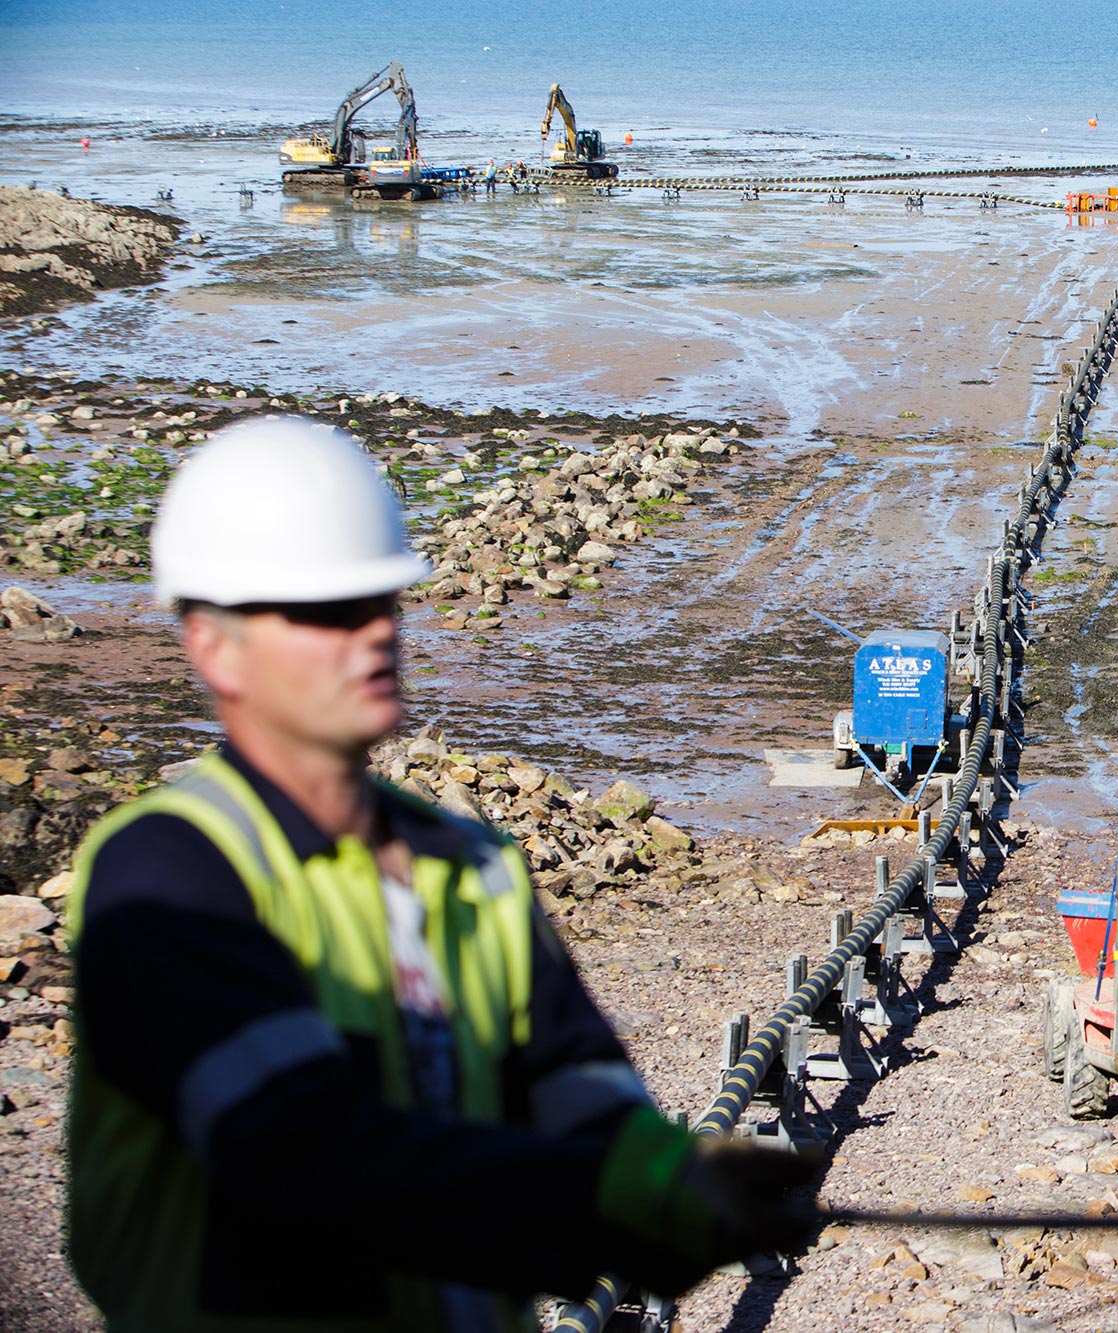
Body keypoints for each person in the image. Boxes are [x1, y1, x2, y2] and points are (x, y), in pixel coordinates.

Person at [64, 417, 815, 1331]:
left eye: (383, 600)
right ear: (214, 645)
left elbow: (578, 1089)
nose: (375, 632)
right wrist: (600, 1202)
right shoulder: (164, 872)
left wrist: (675, 1181)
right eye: (327, 612)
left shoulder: (474, 867)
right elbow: (297, 1152)